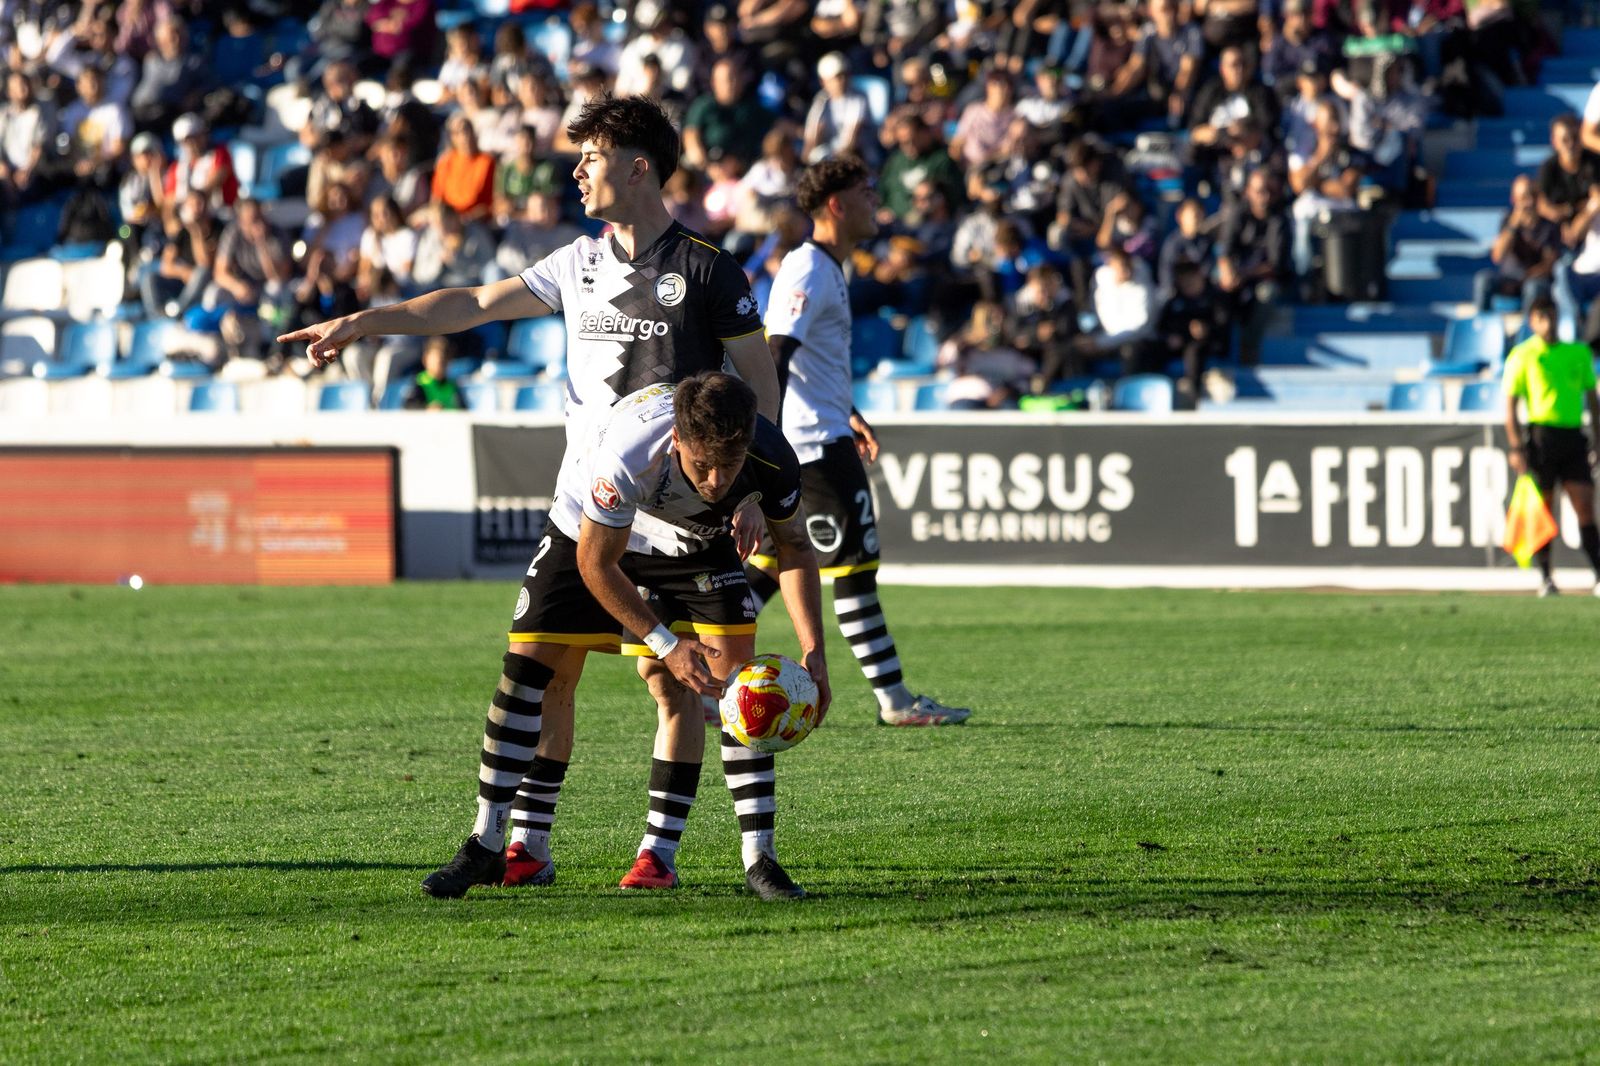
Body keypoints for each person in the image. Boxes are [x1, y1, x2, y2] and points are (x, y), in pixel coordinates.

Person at [277, 94, 781, 898]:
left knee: (698, 682)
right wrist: (365, 322)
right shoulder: (573, 264)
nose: (576, 170)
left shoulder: (710, 269)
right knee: (534, 674)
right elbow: (472, 306)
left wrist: (750, 485)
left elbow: (759, 387)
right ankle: (509, 843)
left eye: (591, 157)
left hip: (687, 521)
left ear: (637, 166)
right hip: (588, 509)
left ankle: (667, 852)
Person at [491, 372, 830, 900]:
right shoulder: (629, 453)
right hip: (613, 540)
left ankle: (743, 858)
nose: (717, 481)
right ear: (677, 439)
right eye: (702, 465)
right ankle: (519, 843)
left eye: (730, 467)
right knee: (547, 670)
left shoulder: (768, 451)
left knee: (738, 687)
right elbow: (595, 562)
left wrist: (816, 652)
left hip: (700, 546)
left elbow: (797, 549)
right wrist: (666, 645)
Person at [748, 156, 971, 726]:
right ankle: (895, 702)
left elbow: (808, 365)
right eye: (867, 192)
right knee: (852, 570)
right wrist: (767, 442)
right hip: (814, 450)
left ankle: (702, 675)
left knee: (770, 568)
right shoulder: (809, 271)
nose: (877, 202)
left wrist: (847, 410)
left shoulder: (825, 267)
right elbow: (776, 355)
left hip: (822, 432)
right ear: (837, 205)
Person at [1502, 295, 1600, 597]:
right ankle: (1546, 577)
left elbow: (1592, 400)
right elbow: (1510, 406)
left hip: (1572, 436)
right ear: (1531, 321)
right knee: (1543, 509)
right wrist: (1517, 447)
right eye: (1541, 315)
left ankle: (1598, 574)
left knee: (1584, 505)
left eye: (1552, 314)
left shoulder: (1578, 353)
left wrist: (1598, 437)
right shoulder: (1523, 355)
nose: (1548, 321)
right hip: (1542, 438)